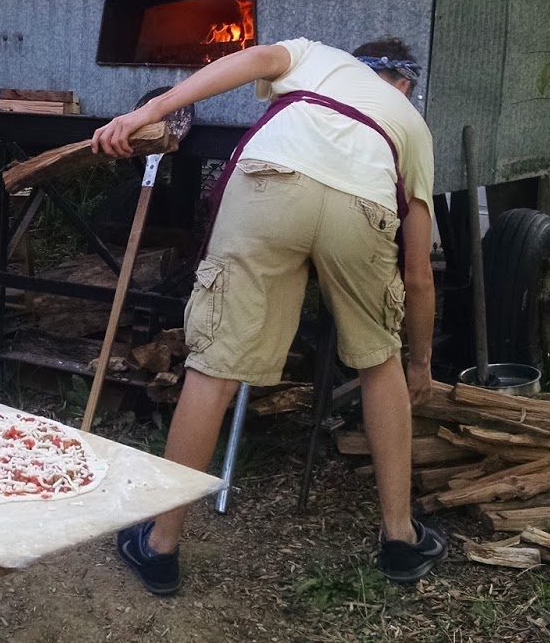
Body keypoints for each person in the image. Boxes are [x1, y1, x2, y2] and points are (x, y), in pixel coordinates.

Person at [94, 35, 444, 593]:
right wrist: (420, 363)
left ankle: (160, 547)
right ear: (404, 85)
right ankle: (400, 540)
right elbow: (419, 273)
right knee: (381, 365)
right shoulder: (414, 127)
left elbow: (248, 61)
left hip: (272, 180)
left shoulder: (316, 55)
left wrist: (150, 109)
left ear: (357, 62)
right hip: (364, 204)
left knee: (215, 371)